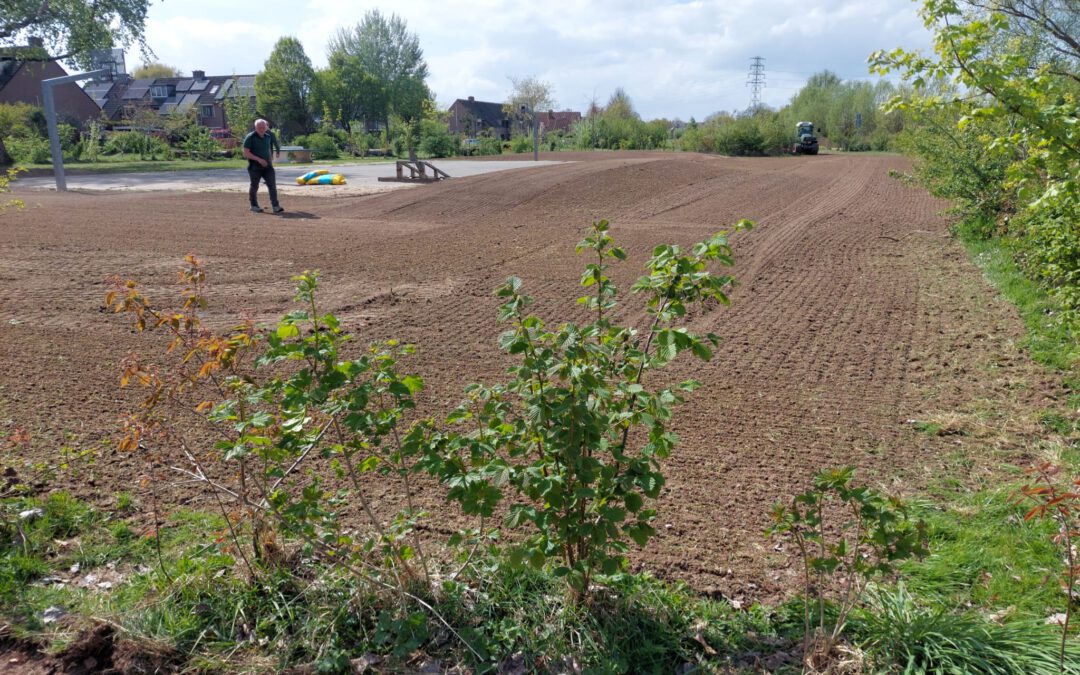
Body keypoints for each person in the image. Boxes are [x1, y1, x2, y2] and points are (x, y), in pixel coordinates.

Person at [242, 119, 284, 213]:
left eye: (263, 127)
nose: (261, 129)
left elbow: (268, 149)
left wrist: (269, 160)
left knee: (272, 186)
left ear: (266, 127)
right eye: (259, 127)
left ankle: (275, 206)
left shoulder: (268, 137)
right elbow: (246, 153)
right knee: (254, 186)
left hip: (268, 166)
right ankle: (254, 205)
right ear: (255, 127)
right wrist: (259, 159)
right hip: (254, 166)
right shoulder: (250, 137)